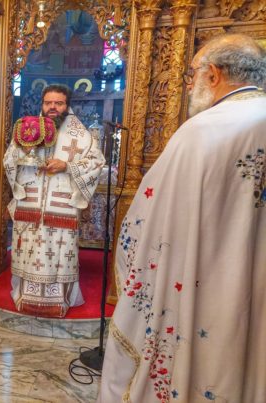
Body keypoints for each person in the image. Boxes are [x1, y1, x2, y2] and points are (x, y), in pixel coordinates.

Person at [98, 34, 266, 403]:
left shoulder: (204, 130)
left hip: (204, 280)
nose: (189, 84)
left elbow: (152, 217)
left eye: (192, 74)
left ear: (214, 74)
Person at [4, 84, 106, 317]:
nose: (52, 107)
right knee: (28, 249)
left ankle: (59, 299)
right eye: (48, 102)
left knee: (58, 252)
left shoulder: (80, 134)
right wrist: (23, 152)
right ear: (42, 104)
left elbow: (97, 162)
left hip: (62, 204)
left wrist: (66, 165)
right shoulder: (27, 129)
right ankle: (25, 296)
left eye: (58, 103)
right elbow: (9, 159)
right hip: (30, 200)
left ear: (67, 105)